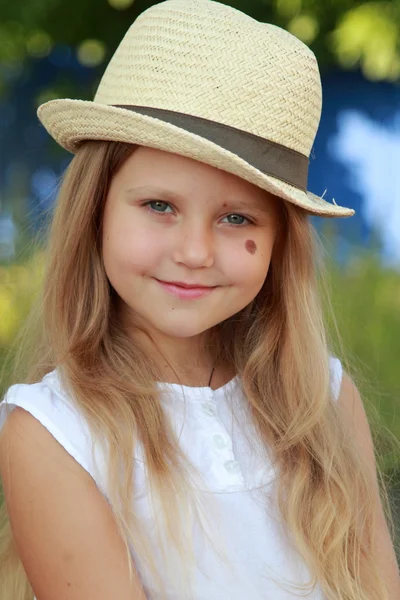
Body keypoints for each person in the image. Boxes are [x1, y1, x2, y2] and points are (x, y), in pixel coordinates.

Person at [0, 1, 398, 599]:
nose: (194, 252)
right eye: (159, 205)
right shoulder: (55, 432)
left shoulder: (325, 400)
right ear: (95, 211)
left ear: (279, 244)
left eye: (237, 217)